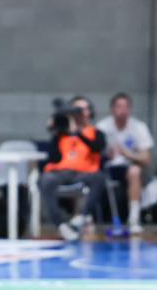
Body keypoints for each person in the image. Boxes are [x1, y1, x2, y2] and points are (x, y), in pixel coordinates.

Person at [40, 96, 106, 241]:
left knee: (99, 177)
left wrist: (79, 133)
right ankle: (60, 225)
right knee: (46, 179)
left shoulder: (96, 133)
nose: (79, 113)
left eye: (83, 109)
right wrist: (56, 129)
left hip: (84, 173)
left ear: (90, 112)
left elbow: (97, 147)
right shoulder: (62, 133)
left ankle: (82, 215)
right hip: (62, 172)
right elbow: (53, 157)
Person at [97, 93, 155, 235]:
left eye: (126, 106)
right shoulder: (102, 127)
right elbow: (92, 153)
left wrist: (128, 154)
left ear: (130, 109)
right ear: (112, 109)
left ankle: (134, 219)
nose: (122, 110)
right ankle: (85, 218)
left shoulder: (139, 127)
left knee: (134, 171)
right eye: (119, 106)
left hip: (129, 167)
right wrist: (106, 154)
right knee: (88, 174)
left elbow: (146, 158)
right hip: (107, 168)